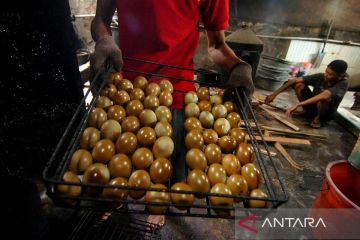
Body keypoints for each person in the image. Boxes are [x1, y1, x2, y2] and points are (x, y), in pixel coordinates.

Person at [1, 1, 84, 239]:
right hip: (14, 90)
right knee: (16, 194)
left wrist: (101, 39)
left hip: (57, 74)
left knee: (64, 161)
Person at [90, 0, 254, 108]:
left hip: (178, 98)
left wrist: (238, 66)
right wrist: (103, 40)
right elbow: (101, 19)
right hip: (125, 92)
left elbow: (217, 46)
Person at [265, 59, 349, 128]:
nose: (326, 75)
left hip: (326, 114)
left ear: (340, 76)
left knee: (324, 98)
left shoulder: (343, 83)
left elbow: (325, 95)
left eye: (330, 74)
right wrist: (274, 94)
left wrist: (297, 105)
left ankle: (318, 119)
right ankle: (306, 112)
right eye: (326, 71)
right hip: (313, 107)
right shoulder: (321, 76)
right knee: (299, 85)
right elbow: (294, 80)